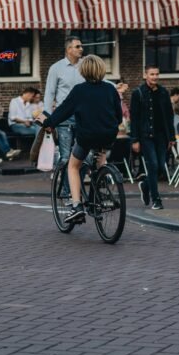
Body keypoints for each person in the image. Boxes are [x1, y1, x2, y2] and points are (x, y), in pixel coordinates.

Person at [41, 54, 122, 225]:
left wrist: (49, 122)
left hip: (87, 136)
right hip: (108, 135)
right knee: (100, 159)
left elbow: (63, 110)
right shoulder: (111, 89)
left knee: (73, 166)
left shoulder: (79, 90)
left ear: (83, 71)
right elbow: (119, 116)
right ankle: (102, 191)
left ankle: (77, 207)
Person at [130, 66, 174, 211]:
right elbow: (134, 118)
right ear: (145, 75)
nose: (155, 77)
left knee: (161, 166)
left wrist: (171, 137)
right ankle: (157, 200)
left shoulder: (163, 93)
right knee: (153, 166)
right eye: (152, 74)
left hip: (161, 136)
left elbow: (169, 116)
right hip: (145, 136)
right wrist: (134, 139)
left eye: (157, 74)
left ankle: (145, 185)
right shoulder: (138, 93)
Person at [43, 36, 85, 167]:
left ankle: (78, 185)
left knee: (86, 157)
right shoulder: (56, 68)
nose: (81, 49)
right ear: (69, 49)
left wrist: (113, 86)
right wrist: (47, 117)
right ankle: (67, 187)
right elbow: (49, 93)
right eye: (78, 46)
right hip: (64, 116)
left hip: (83, 116)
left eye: (81, 46)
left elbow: (99, 80)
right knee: (65, 158)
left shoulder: (85, 66)